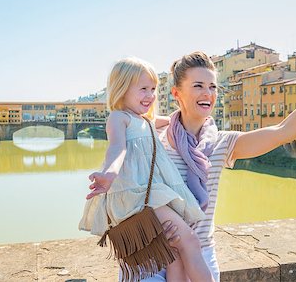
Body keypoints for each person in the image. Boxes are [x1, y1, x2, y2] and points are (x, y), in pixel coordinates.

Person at [146, 51, 296, 281]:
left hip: (202, 257)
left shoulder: (223, 143)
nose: (208, 93)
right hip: (155, 257)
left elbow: (284, 132)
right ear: (176, 93)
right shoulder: (152, 139)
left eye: (213, 86)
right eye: (198, 85)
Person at [79, 57, 215, 282]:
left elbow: (176, 119)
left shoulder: (144, 120)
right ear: (122, 88)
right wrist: (110, 175)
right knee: (189, 240)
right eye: (143, 89)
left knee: (174, 254)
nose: (150, 96)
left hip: (149, 196)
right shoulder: (119, 118)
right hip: (139, 196)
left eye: (153, 89)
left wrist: (202, 116)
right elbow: (117, 148)